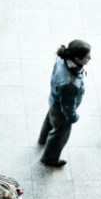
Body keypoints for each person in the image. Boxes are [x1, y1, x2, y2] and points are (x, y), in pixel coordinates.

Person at [38, 40, 91, 168]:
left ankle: (43, 139)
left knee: (50, 121)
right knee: (59, 135)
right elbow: (67, 107)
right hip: (62, 112)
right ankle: (49, 159)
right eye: (87, 57)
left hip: (54, 101)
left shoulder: (62, 58)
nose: (90, 58)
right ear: (77, 59)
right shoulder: (69, 83)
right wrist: (73, 117)